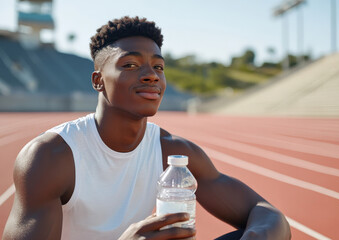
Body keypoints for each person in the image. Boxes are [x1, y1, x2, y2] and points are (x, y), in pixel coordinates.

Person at [2, 16, 291, 240]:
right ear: (98, 80)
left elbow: (268, 215)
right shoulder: (50, 157)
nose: (151, 75)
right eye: (130, 64)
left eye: (159, 67)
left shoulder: (175, 153)